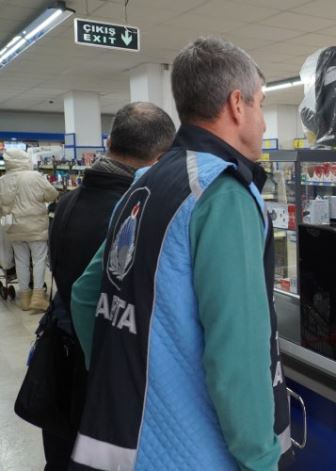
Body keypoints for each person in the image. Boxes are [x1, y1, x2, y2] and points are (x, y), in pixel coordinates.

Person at [69, 37, 289, 470]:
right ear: (236, 105)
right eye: (261, 105)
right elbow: (237, 355)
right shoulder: (223, 194)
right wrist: (261, 460)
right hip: (197, 452)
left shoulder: (146, 180)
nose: (264, 122)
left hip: (125, 443)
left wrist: (132, 382)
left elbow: (84, 296)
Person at [39, 102, 175, 471]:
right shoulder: (135, 212)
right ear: (161, 157)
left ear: (110, 140)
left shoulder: (66, 202)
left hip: (63, 365)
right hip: (106, 375)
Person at [0, 148, 58, 311]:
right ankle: (38, 297)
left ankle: (24, 297)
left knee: (21, 260)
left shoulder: (3, 180)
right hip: (35, 227)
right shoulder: (34, 177)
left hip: (14, 228)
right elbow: (52, 195)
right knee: (38, 260)